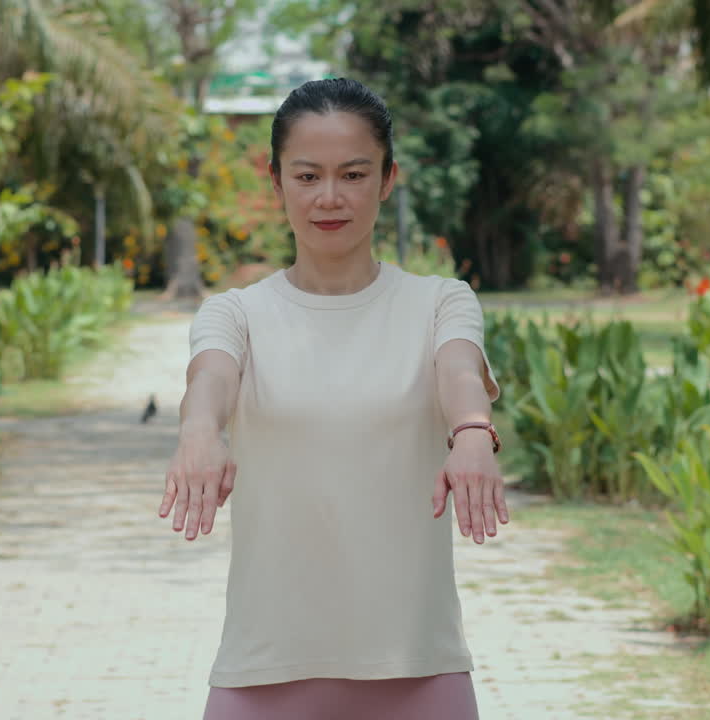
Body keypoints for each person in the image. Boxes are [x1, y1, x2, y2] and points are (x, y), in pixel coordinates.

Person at [159, 77, 506, 720]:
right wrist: (199, 433)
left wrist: (473, 433)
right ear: (276, 181)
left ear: (387, 179)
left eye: (353, 174)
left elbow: (459, 372)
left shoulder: (439, 302)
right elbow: (208, 380)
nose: (329, 197)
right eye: (307, 175)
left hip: (418, 668)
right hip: (264, 673)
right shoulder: (236, 313)